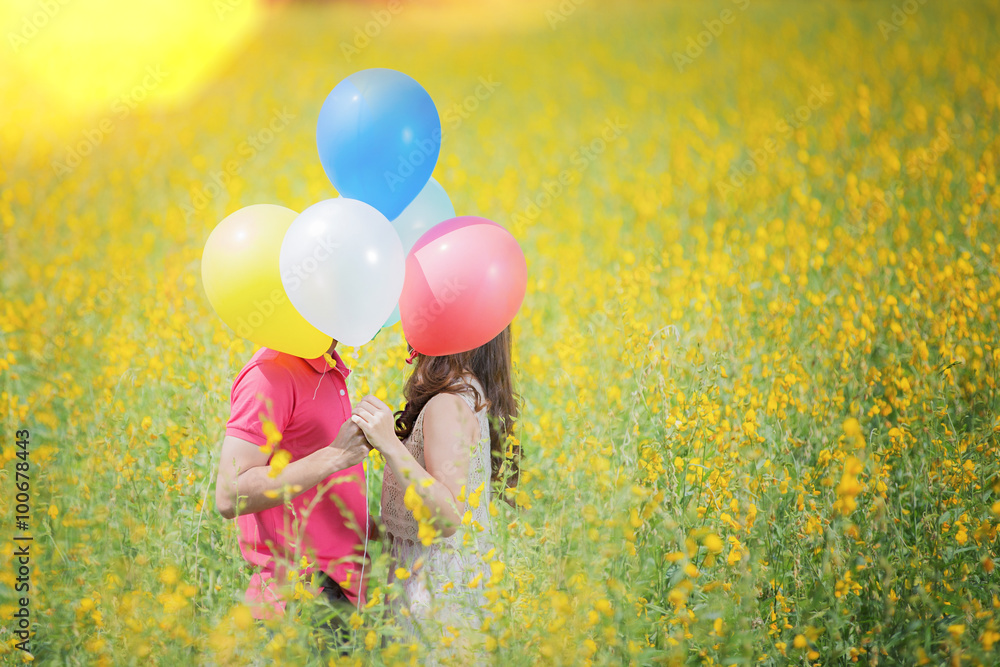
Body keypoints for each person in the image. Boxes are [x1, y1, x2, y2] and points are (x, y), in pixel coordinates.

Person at [350, 325, 519, 661]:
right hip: (446, 590)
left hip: (436, 601)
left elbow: (448, 515)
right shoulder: (470, 392)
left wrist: (388, 444)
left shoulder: (446, 405)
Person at [214, 338, 374, 653]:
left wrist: (370, 527)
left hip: (345, 597)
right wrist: (334, 455)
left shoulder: (328, 365)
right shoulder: (271, 371)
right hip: (298, 602)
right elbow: (230, 494)